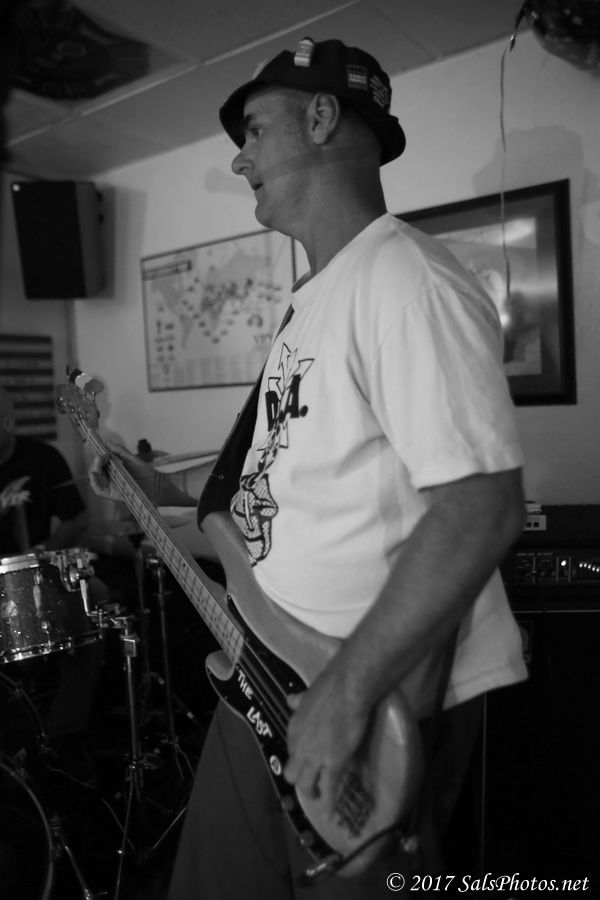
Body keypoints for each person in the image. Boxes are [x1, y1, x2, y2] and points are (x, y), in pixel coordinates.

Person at [90, 38, 527, 899]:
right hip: (265, 678)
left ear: (322, 117)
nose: (239, 158)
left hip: (366, 703)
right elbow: (265, 485)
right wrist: (153, 488)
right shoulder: (312, 302)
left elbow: (481, 506)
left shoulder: (403, 279)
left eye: (254, 130)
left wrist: (345, 695)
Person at [0, 387, 104, 771]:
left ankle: (63, 734)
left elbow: (78, 519)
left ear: (9, 420)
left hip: (35, 572)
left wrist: (41, 550)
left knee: (94, 604)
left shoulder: (42, 458)